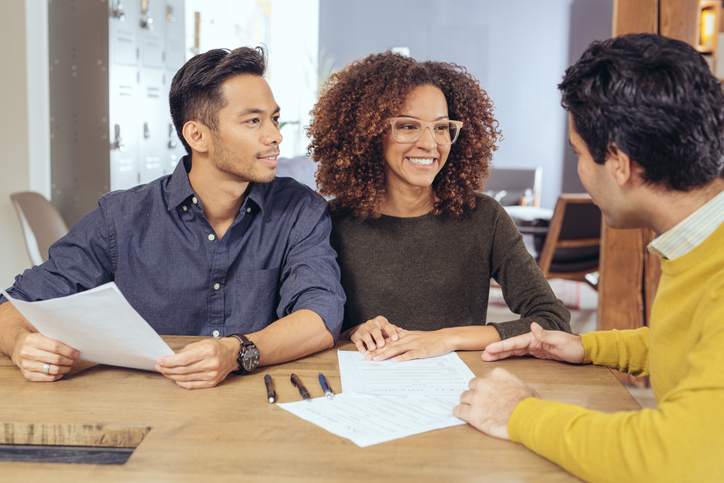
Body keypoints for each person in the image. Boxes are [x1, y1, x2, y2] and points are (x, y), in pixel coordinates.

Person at [454, 33, 724, 482]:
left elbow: (677, 461)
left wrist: (520, 413)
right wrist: (588, 347)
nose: (580, 171)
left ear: (618, 163)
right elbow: (696, 347)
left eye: (579, 154)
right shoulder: (699, 241)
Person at [0, 47, 345, 389]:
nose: (275, 135)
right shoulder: (122, 218)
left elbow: (320, 316)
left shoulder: (301, 209)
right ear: (196, 135)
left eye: (274, 118)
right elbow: (15, 305)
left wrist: (237, 351)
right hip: (146, 407)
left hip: (257, 410)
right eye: (253, 121)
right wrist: (19, 344)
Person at [308, 52, 570, 361]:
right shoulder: (331, 223)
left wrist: (446, 338)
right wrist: (351, 332)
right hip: (363, 391)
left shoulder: (484, 218)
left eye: (442, 127)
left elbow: (553, 321)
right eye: (408, 126)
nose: (430, 144)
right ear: (368, 134)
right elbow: (306, 327)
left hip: (462, 392)